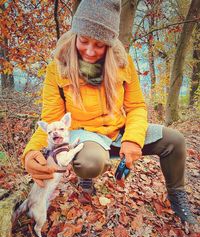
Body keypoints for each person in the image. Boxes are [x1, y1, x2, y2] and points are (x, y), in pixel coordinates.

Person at [23, 0, 197, 224]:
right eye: (84, 41)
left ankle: (177, 197)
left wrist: (133, 140)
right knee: (91, 163)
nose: (90, 51)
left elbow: (136, 106)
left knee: (176, 141)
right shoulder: (58, 66)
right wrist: (30, 152)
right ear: (75, 34)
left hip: (118, 132)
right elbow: (50, 118)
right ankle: (86, 179)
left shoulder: (123, 63)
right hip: (85, 135)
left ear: (110, 43)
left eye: (99, 44)